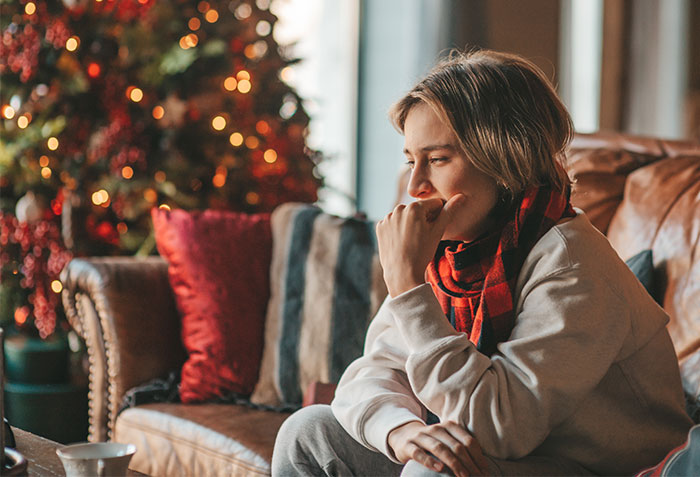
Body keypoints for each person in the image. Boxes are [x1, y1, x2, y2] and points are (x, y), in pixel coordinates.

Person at [271, 49, 693, 476]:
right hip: (515, 457)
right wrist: (400, 432)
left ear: (504, 160)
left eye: (436, 160)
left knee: (434, 472)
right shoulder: (451, 253)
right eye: (409, 161)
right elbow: (371, 374)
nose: (416, 185)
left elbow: (496, 427)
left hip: (598, 468)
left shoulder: (570, 264)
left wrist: (407, 288)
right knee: (308, 433)